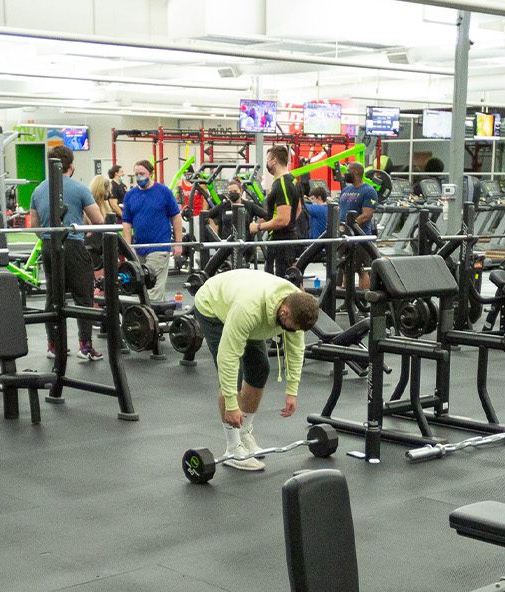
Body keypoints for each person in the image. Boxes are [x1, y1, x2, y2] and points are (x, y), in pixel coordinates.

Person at [192, 268, 320, 471]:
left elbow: (296, 350)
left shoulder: (296, 306)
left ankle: (244, 434)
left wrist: (292, 392)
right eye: (290, 327)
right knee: (233, 377)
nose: (292, 332)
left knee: (260, 368)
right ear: (284, 311)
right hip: (213, 306)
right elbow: (228, 357)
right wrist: (233, 406)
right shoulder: (249, 309)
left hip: (245, 303)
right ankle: (233, 449)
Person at [27, 146, 107, 361]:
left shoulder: (38, 190)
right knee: (84, 297)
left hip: (48, 246)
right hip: (72, 246)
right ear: (71, 166)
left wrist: (48, 239)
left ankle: (54, 346)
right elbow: (99, 220)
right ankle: (85, 346)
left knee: (54, 297)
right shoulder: (80, 189)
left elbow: (35, 226)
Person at [119, 160, 182, 303]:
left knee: (152, 288)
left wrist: (178, 243)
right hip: (139, 247)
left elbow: (176, 217)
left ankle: (149, 321)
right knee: (141, 286)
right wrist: (128, 247)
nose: (139, 177)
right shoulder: (130, 195)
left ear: (151, 173)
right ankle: (159, 318)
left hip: (159, 247)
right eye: (136, 174)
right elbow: (126, 222)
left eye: (142, 173)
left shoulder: (163, 191)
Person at [249, 146, 305, 274]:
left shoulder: (282, 184)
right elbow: (297, 210)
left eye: (268, 160)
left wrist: (258, 227)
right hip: (283, 238)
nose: (267, 163)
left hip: (282, 241)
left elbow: (283, 219)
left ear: (274, 160)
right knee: (290, 279)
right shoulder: (292, 180)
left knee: (283, 283)